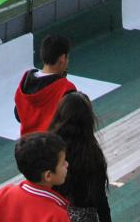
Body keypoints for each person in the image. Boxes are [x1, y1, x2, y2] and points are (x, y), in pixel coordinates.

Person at [0, 132, 71, 222]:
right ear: (48, 176)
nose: (67, 164)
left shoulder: (2, 195)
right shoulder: (57, 216)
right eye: (63, 163)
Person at [49, 91, 112, 222]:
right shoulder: (91, 154)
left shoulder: (50, 146)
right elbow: (98, 197)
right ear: (87, 120)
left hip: (53, 212)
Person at [14, 33, 77, 136]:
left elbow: (18, 115)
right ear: (62, 58)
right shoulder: (66, 89)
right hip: (52, 148)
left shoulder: (25, 84)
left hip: (27, 148)